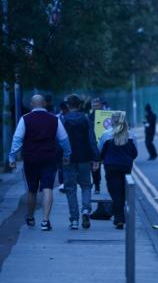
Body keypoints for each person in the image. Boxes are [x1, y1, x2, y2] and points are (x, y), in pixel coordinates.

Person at [8, 94, 72, 231]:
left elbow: (17, 139)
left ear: (32, 104)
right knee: (47, 188)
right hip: (49, 156)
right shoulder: (54, 119)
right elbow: (64, 139)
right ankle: (45, 221)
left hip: (30, 157)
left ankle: (30, 217)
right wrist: (67, 154)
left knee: (32, 190)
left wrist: (12, 157)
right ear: (44, 104)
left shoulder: (25, 119)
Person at [62, 95, 100, 229]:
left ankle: (74, 220)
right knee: (86, 185)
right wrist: (96, 158)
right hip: (84, 158)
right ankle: (85, 210)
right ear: (79, 105)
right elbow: (92, 139)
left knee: (70, 189)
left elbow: (61, 141)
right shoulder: (86, 119)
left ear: (68, 105)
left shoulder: (63, 120)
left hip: (68, 159)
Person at [99, 112, 137, 230]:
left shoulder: (106, 135)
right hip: (126, 166)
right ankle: (120, 215)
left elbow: (100, 152)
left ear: (111, 121)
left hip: (111, 167)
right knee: (123, 191)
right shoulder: (131, 135)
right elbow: (134, 153)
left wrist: (100, 160)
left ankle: (119, 218)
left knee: (114, 192)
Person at [88, 97, 104, 193]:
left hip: (106, 143)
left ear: (101, 105)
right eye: (93, 105)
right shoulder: (89, 117)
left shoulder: (107, 116)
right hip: (95, 144)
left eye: (97, 105)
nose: (95, 107)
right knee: (95, 166)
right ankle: (97, 185)